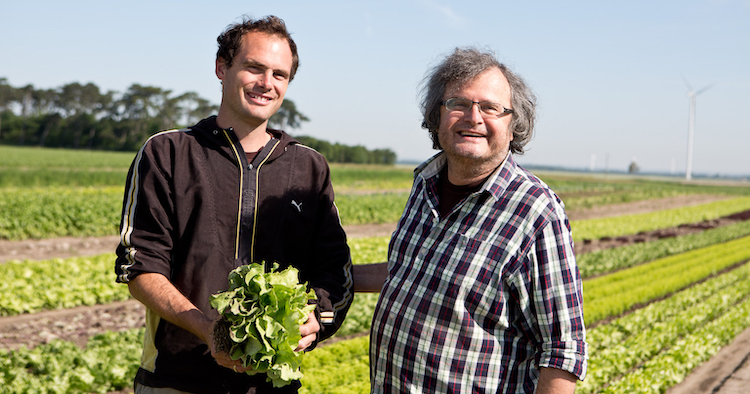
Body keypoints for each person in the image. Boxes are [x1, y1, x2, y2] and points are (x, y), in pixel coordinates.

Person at [114, 15, 353, 394]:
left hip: (271, 383)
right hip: (177, 379)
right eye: (254, 68)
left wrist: (317, 319)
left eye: (280, 74)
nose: (267, 83)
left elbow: (335, 270)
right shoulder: (168, 153)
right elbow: (140, 266)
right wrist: (206, 327)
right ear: (221, 68)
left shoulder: (309, 167)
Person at [354, 47, 587, 393]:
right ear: (438, 115)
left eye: (491, 107)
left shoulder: (536, 212)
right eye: (458, 103)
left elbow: (563, 350)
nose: (473, 117)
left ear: (513, 126)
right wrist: (329, 275)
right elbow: (407, 271)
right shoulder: (426, 183)